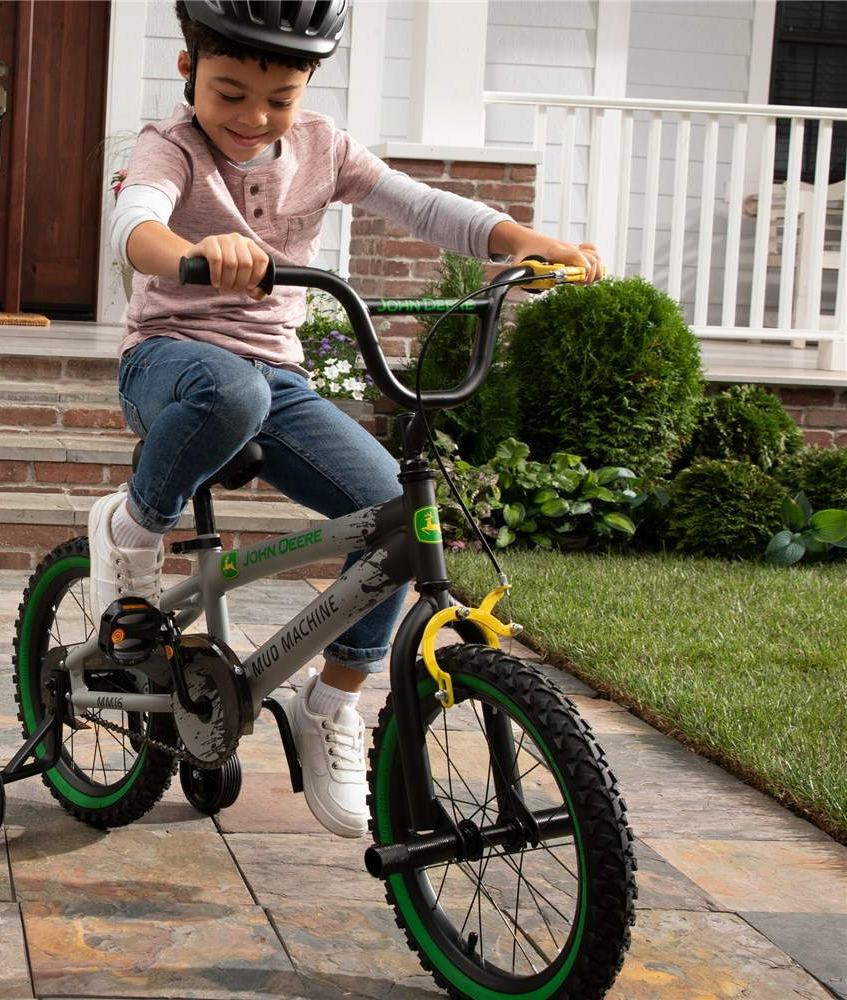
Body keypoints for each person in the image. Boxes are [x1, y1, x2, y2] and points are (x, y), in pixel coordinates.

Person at [93, 0, 604, 839]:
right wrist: (195, 254)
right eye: (229, 93)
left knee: (399, 520)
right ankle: (133, 529)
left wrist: (522, 240)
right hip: (171, 360)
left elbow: (424, 207)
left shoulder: (324, 147)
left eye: (279, 99)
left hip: (276, 376)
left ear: (304, 90)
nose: (254, 119)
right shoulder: (169, 146)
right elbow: (134, 226)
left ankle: (333, 700)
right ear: (188, 72)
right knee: (234, 392)